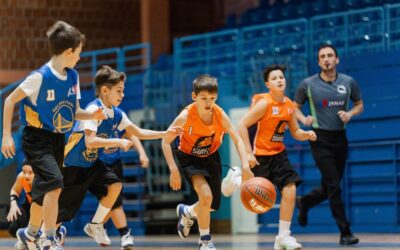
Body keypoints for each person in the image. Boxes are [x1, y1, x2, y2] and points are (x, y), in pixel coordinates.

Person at [1, 20, 106, 250]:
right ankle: (48, 238)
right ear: (68, 52)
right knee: (55, 183)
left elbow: (75, 111)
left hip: (59, 138)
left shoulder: (73, 77)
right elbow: (9, 100)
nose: (79, 57)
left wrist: (93, 116)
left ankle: (29, 233)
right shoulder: (39, 77)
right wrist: (6, 135)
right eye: (78, 53)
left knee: (44, 190)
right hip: (36, 138)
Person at [57, 65, 181, 247]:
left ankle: (95, 225)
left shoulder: (117, 114)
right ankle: (35, 235)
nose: (122, 95)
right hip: (73, 166)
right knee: (62, 214)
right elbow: (90, 141)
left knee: (115, 185)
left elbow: (138, 132)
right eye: (119, 91)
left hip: (92, 164)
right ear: (104, 90)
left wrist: (166, 133)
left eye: (123, 91)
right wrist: (117, 142)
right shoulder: (93, 110)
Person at [226, 64, 316, 250]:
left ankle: (283, 236)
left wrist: (305, 134)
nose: (279, 80)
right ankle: (236, 175)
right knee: (251, 191)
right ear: (268, 84)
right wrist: (249, 153)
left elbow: (295, 131)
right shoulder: (264, 103)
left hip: (279, 154)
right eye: (274, 78)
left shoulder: (289, 105)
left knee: (290, 188)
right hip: (260, 155)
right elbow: (242, 125)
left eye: (281, 77)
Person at [161, 74, 254, 250]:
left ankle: (187, 212)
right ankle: (205, 241)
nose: (208, 102)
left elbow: (238, 139)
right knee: (206, 196)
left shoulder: (220, 114)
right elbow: (165, 141)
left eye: (212, 98)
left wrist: (245, 164)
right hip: (189, 158)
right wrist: (173, 169)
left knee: (211, 205)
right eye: (203, 98)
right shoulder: (185, 116)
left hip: (211, 157)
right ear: (194, 97)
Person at [293, 44, 363, 245]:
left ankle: (305, 202)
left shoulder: (348, 82)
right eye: (322, 56)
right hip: (319, 139)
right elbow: (294, 107)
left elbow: (359, 105)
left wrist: (349, 114)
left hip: (341, 138)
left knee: (331, 186)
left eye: (330, 55)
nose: (326, 59)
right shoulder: (308, 84)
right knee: (333, 185)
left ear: (337, 59)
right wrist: (302, 119)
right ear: (318, 62)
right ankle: (345, 232)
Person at [90, 128, 150, 250]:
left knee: (113, 201)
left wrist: (142, 153)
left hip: (115, 164)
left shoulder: (118, 116)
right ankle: (124, 233)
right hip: (98, 164)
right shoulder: (96, 114)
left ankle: (99, 224)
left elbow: (132, 134)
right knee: (114, 202)